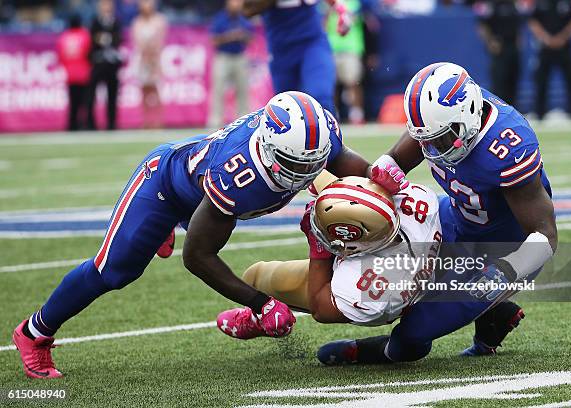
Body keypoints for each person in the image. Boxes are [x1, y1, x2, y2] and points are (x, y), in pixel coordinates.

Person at [12, 90, 402, 379]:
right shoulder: (241, 174)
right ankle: (34, 331)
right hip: (164, 187)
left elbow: (339, 160)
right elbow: (197, 256)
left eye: (311, 164)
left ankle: (160, 232)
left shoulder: (311, 136)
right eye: (294, 165)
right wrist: (260, 303)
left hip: (203, 192)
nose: (305, 174)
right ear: (269, 150)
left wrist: (377, 176)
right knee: (114, 271)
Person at [316, 62, 557, 363]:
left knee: (412, 335)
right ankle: (495, 317)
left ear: (468, 117)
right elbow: (392, 162)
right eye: (424, 138)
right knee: (385, 250)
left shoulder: (507, 146)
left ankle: (378, 350)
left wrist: (503, 273)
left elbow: (546, 236)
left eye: (440, 138)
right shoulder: (440, 118)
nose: (431, 148)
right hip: (458, 219)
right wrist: (372, 183)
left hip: (504, 250)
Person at [217, 174, 528, 365]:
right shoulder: (414, 200)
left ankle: (360, 352)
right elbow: (352, 189)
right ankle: (494, 311)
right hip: (438, 256)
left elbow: (322, 309)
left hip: (409, 289)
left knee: (409, 342)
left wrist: (318, 246)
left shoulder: (365, 286)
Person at [243, 0, 353, 114]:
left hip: (312, 42)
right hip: (281, 50)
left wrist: (341, 10)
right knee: (285, 108)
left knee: (320, 98)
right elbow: (245, 9)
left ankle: (328, 130)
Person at [528, 0, 571, 119]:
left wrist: (563, 37)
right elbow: (533, 21)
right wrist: (546, 38)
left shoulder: (567, 2)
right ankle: (539, 112)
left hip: (564, 47)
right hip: (545, 48)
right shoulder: (540, 3)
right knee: (541, 80)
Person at [209, 0, 253, 128]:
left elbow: (251, 38)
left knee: (243, 90)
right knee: (218, 90)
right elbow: (214, 40)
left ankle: (244, 123)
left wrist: (242, 36)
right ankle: (215, 122)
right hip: (223, 57)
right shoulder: (220, 18)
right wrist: (230, 36)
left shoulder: (243, 18)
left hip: (240, 56)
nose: (236, 4)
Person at [475, 0, 523, 107]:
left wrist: (519, 40)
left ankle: (514, 109)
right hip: (499, 46)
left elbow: (518, 24)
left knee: (513, 79)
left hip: (513, 46)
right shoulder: (491, 5)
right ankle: (498, 109)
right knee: (499, 80)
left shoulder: (513, 5)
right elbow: (482, 24)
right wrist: (490, 41)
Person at [326, 0, 367, 124]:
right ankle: (332, 115)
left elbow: (353, 19)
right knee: (330, 85)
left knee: (353, 82)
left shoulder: (354, 3)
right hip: (330, 48)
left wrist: (342, 13)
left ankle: (357, 114)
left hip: (351, 48)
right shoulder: (325, 4)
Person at [87, 0, 123, 130]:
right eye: (103, 5)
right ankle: (91, 124)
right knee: (91, 95)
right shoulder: (95, 21)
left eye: (108, 5)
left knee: (112, 94)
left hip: (111, 63)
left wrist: (104, 38)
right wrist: (104, 38)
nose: (106, 7)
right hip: (98, 62)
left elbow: (118, 39)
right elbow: (92, 38)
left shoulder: (115, 21)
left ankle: (112, 123)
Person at [131, 0, 167, 129]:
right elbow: (137, 42)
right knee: (144, 91)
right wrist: (144, 55)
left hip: (155, 60)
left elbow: (160, 40)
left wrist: (153, 57)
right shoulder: (137, 22)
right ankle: (146, 121)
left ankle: (158, 121)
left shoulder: (159, 20)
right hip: (142, 60)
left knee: (156, 90)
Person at [57, 14, 92, 131]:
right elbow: (89, 53)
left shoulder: (64, 37)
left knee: (73, 103)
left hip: (71, 75)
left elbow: (61, 57)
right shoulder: (85, 35)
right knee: (86, 103)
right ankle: (86, 125)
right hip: (84, 73)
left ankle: (72, 125)